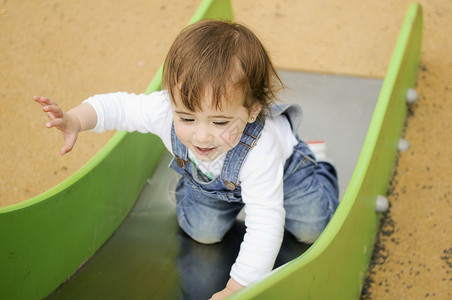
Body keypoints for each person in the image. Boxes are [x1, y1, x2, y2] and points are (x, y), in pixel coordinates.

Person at [34, 20, 339, 300]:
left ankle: (317, 167)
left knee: (313, 227)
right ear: (172, 101)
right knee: (202, 233)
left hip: (286, 174)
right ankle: (193, 191)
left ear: (252, 111)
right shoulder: (165, 111)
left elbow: (266, 223)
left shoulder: (262, 149)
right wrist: (75, 119)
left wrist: (237, 287)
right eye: (187, 118)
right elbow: (119, 107)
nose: (201, 136)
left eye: (220, 123)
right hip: (214, 182)